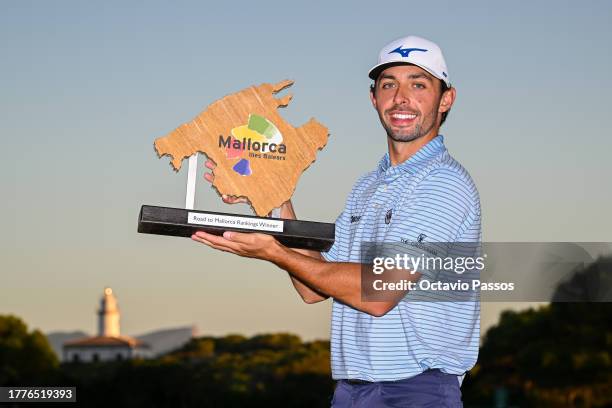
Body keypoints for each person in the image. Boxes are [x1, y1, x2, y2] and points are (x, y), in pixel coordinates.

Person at [193, 35, 481, 407]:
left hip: (413, 391)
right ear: (374, 98)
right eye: (389, 84)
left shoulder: (442, 181)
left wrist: (273, 253)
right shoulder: (369, 186)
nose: (401, 98)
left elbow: (380, 294)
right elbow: (314, 285)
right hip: (352, 390)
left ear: (446, 100)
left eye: (419, 84)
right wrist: (276, 198)